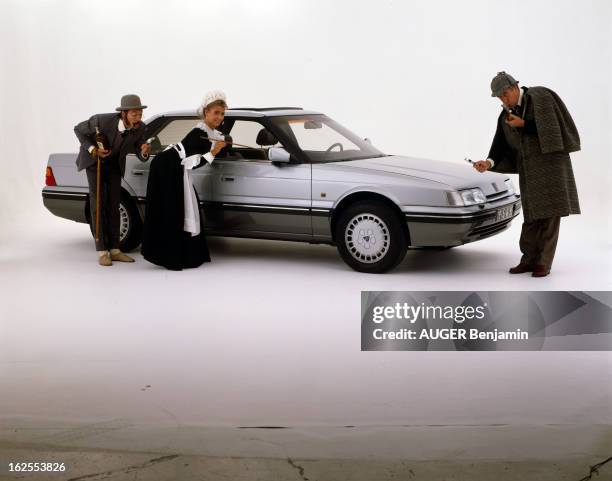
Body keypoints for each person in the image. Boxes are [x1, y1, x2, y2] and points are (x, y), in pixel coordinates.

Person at [472, 72, 580, 278]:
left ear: (515, 87)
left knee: (550, 213)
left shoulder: (540, 97)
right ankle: (528, 259)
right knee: (531, 214)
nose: (504, 100)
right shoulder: (505, 116)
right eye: (499, 97)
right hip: (529, 169)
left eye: (505, 94)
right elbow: (500, 145)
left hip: (551, 165)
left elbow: (552, 130)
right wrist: (488, 162)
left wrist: (524, 125)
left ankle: (543, 262)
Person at [141, 90, 229, 270]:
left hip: (176, 168)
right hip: (167, 167)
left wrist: (221, 146)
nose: (219, 117)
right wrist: (213, 152)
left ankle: (190, 253)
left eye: (222, 113)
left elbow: (218, 144)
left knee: (188, 206)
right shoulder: (199, 133)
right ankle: (172, 256)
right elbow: (191, 163)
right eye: (215, 113)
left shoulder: (211, 133)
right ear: (206, 112)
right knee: (175, 209)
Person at [74, 94, 151, 266]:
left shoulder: (140, 128)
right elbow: (78, 129)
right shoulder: (101, 120)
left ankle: (115, 250)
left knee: (114, 205)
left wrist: (144, 150)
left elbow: (140, 150)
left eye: (140, 113)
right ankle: (102, 251)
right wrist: (93, 149)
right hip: (96, 164)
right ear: (123, 113)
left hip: (115, 165)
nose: (138, 118)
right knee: (98, 204)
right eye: (134, 114)